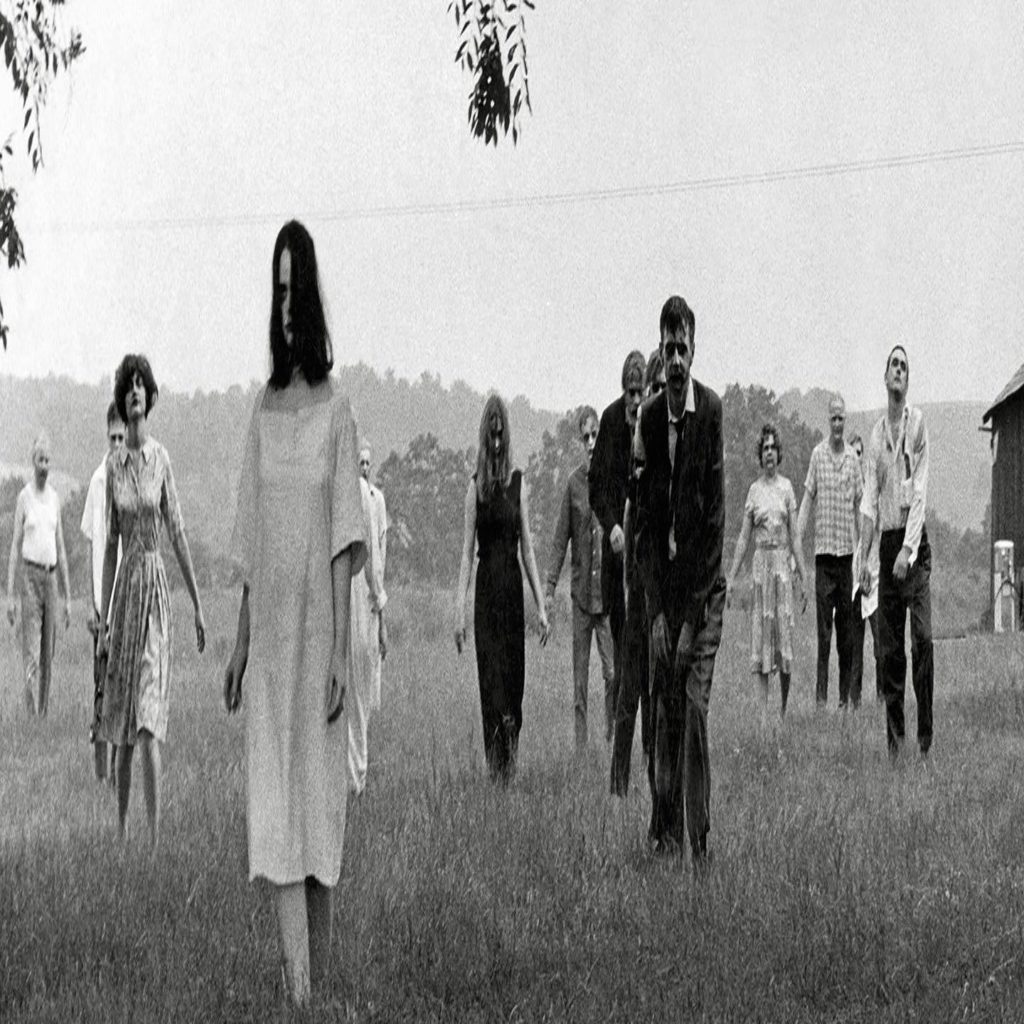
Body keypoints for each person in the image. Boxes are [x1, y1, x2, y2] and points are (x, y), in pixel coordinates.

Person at [223, 221, 367, 1008]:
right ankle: (302, 997)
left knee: (317, 811)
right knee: (275, 810)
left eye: (294, 290)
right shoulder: (260, 410)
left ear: (310, 300)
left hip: (319, 644)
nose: (284, 306)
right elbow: (252, 542)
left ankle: (322, 988)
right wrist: (241, 644)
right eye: (276, 291)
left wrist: (342, 651)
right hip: (273, 645)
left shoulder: (338, 412)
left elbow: (344, 541)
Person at [96, 354, 206, 854]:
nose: (135, 392)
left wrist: (198, 604)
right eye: (129, 386)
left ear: (150, 396)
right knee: (122, 725)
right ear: (123, 400)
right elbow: (110, 546)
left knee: (147, 723)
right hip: (126, 593)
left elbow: (177, 531)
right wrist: (104, 618)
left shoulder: (161, 459)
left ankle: (155, 844)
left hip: (156, 590)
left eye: (141, 385)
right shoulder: (113, 466)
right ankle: (122, 837)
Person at [634, 296, 726, 864]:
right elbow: (646, 526)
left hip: (705, 593)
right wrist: (657, 616)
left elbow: (714, 523)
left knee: (692, 705)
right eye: (668, 348)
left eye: (682, 349)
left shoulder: (710, 412)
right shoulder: (648, 418)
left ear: (694, 351)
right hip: (665, 595)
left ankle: (700, 842)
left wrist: (690, 620)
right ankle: (664, 833)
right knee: (664, 707)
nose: (674, 360)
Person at [455, 393, 550, 783]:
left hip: (511, 592)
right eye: (490, 437)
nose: (496, 444)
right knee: (490, 684)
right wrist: (458, 612)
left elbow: (528, 550)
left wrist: (541, 607)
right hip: (485, 595)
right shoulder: (474, 488)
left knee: (513, 684)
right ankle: (497, 771)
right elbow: (466, 554)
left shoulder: (518, 484)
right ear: (484, 438)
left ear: (506, 437)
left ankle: (510, 760)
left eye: (500, 436)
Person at [858, 345, 933, 760]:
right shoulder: (874, 435)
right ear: (885, 377)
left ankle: (924, 741)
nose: (899, 371)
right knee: (889, 653)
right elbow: (870, 500)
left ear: (908, 378)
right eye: (894, 365)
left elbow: (919, 493)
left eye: (904, 366)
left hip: (913, 545)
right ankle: (895, 743)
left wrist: (908, 549)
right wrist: (864, 558)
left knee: (922, 639)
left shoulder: (917, 424)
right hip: (886, 545)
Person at [726, 424, 808, 724]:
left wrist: (803, 578)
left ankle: (782, 711)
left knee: (784, 642)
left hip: (782, 567)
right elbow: (743, 538)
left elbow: (795, 537)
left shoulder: (787, 488)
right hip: (761, 568)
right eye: (765, 448)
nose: (769, 453)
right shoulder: (754, 490)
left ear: (778, 453)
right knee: (761, 641)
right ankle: (762, 718)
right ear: (760, 455)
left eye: (773, 447)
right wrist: (731, 577)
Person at [610, 348, 664, 800]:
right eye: (654, 388)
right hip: (640, 582)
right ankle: (618, 784)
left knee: (656, 694)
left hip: (664, 585)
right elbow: (629, 511)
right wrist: (630, 581)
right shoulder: (639, 440)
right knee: (631, 688)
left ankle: (653, 776)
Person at [543, 405, 613, 751]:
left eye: (595, 435)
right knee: (580, 682)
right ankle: (581, 752)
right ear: (579, 441)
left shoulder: (612, 479)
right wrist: (549, 588)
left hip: (608, 597)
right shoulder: (573, 484)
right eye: (585, 437)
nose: (591, 442)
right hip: (581, 597)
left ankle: (613, 740)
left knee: (613, 673)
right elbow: (560, 540)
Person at [589, 349, 646, 739]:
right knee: (622, 655)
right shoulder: (610, 421)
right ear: (623, 390)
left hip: (646, 554)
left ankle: (647, 743)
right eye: (630, 393)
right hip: (616, 556)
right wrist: (611, 526)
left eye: (640, 393)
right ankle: (618, 740)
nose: (635, 401)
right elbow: (596, 486)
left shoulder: (654, 419)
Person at [796, 394, 862, 708]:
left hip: (846, 559)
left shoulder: (853, 460)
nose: (837, 424)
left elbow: (861, 507)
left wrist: (864, 553)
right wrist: (796, 542)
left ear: (845, 421)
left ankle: (843, 701)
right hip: (823, 559)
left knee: (846, 636)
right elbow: (807, 501)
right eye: (833, 418)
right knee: (823, 636)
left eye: (841, 419)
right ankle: (821, 702)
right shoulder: (817, 455)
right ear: (828, 421)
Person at [5, 430, 72, 716]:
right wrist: (10, 595)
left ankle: (43, 714)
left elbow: (61, 548)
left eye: (48, 460)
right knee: (31, 651)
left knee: (48, 652)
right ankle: (31, 714)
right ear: (33, 462)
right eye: (40, 460)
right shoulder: (24, 497)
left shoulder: (54, 498)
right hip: (30, 578)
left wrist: (68, 597)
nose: (44, 466)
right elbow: (14, 546)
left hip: (51, 578)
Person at [80, 402, 126, 782]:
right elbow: (91, 544)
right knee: (100, 690)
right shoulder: (98, 482)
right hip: (101, 603)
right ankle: (100, 776)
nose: (116, 445)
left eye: (121, 438)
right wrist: (92, 605)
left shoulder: (132, 479)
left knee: (121, 693)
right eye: (112, 438)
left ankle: (115, 771)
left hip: (125, 601)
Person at [347, 447, 388, 796]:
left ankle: (356, 779)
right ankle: (349, 779)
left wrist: (379, 607)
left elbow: (376, 558)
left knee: (358, 695)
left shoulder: (370, 499)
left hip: (361, 599)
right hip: (340, 599)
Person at [849, 432, 881, 704]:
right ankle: (854, 699)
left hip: (874, 570)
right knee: (854, 644)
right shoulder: (848, 494)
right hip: (853, 573)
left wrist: (868, 565)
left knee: (881, 642)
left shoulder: (872, 491)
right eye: (852, 453)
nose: (855, 458)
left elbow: (874, 532)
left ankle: (883, 696)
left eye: (859, 453)